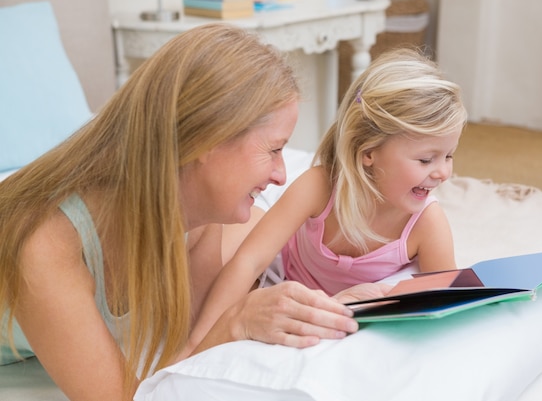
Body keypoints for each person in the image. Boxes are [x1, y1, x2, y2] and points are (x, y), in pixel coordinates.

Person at [0, 23, 387, 401]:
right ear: (207, 140)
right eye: (273, 149)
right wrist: (238, 320)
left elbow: (192, 356)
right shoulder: (46, 245)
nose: (281, 174)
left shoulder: (198, 215)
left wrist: (330, 302)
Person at [190, 47, 468, 347]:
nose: (442, 173)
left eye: (448, 156)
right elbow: (250, 260)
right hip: (283, 282)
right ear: (368, 154)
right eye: (426, 160)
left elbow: (447, 299)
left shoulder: (426, 222)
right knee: (217, 258)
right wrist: (200, 341)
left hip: (346, 311)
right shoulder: (320, 186)